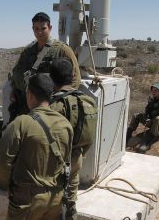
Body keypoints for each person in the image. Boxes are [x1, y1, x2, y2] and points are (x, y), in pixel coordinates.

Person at [0, 74, 74, 220]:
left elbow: (1, 165)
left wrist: (5, 186)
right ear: (51, 95)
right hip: (56, 199)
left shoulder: (21, 123)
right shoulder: (65, 124)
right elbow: (66, 162)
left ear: (30, 94)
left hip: (28, 201)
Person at [8, 12, 81, 122]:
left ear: (50, 28)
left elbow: (75, 79)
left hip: (50, 110)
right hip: (26, 107)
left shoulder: (62, 50)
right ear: (32, 28)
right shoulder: (28, 51)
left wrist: (56, 101)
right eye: (36, 29)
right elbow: (17, 73)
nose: (39, 32)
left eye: (43, 28)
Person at [49, 58, 98, 220]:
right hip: (77, 154)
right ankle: (71, 210)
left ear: (52, 78)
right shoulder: (87, 100)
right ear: (72, 76)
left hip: (56, 159)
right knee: (72, 184)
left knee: (53, 191)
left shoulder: (54, 105)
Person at [126, 81, 159, 152]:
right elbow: (148, 111)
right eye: (152, 90)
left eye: (155, 90)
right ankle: (127, 137)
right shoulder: (153, 99)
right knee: (136, 116)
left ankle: (147, 144)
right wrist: (147, 117)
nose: (153, 92)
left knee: (158, 119)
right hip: (153, 121)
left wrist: (152, 118)